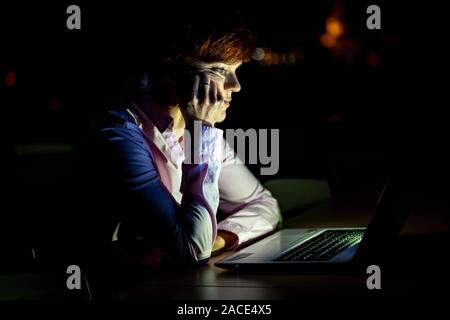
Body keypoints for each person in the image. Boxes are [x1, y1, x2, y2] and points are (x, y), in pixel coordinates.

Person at [79, 12, 282, 271]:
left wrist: (217, 240)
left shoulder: (196, 130)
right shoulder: (119, 134)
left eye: (236, 70)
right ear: (172, 72)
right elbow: (192, 250)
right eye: (220, 70)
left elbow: (266, 206)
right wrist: (201, 131)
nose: (236, 85)